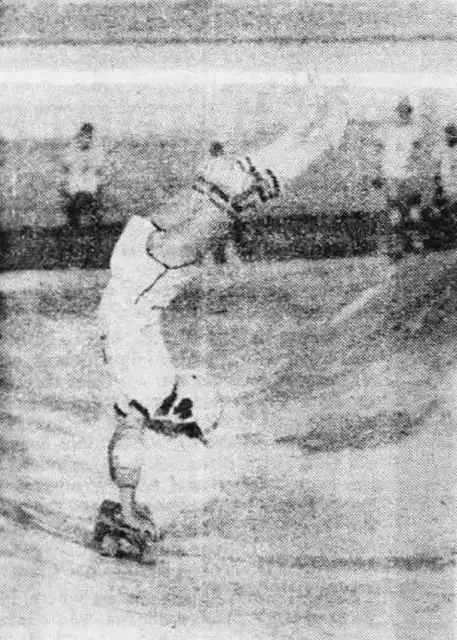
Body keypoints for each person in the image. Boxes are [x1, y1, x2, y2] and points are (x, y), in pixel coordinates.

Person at [95, 88, 348, 558]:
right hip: (140, 268)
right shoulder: (149, 388)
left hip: (140, 269)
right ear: (181, 409)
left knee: (226, 191)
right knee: (229, 192)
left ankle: (315, 132)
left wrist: (125, 502)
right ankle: (316, 135)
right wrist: (125, 505)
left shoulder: (149, 385)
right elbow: (126, 438)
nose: (175, 434)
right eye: (187, 430)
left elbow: (126, 435)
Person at [372, 96, 423, 255]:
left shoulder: (415, 129)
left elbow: (417, 152)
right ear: (397, 111)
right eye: (401, 111)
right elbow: (377, 150)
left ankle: (416, 241)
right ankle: (397, 244)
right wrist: (377, 172)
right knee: (395, 211)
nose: (404, 114)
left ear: (410, 112)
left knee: (414, 210)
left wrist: (416, 170)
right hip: (392, 174)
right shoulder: (387, 129)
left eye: (407, 111)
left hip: (409, 175)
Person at [61, 122, 106, 230]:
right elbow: (66, 166)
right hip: (75, 186)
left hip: (88, 187)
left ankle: (80, 223)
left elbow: (97, 168)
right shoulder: (73, 151)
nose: (86, 140)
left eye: (89, 137)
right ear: (79, 136)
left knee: (80, 200)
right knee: (75, 201)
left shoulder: (95, 152)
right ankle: (75, 224)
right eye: (84, 136)